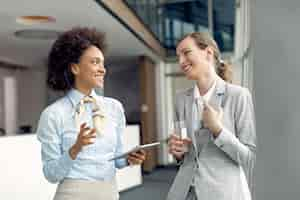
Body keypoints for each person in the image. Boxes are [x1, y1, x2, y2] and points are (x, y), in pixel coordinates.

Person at [37, 27, 146, 200]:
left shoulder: (114, 108)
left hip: (109, 193)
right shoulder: (53, 114)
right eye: (95, 62)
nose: (103, 69)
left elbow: (116, 160)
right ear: (75, 68)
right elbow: (51, 174)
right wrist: (75, 149)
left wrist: (129, 158)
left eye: (103, 63)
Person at [167, 32, 256, 200]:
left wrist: (218, 130)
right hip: (185, 192)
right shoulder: (181, 99)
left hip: (223, 193)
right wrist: (178, 151)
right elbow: (183, 150)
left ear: (208, 53)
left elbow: (250, 158)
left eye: (186, 53)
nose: (180, 62)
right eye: (178, 56)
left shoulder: (238, 96)